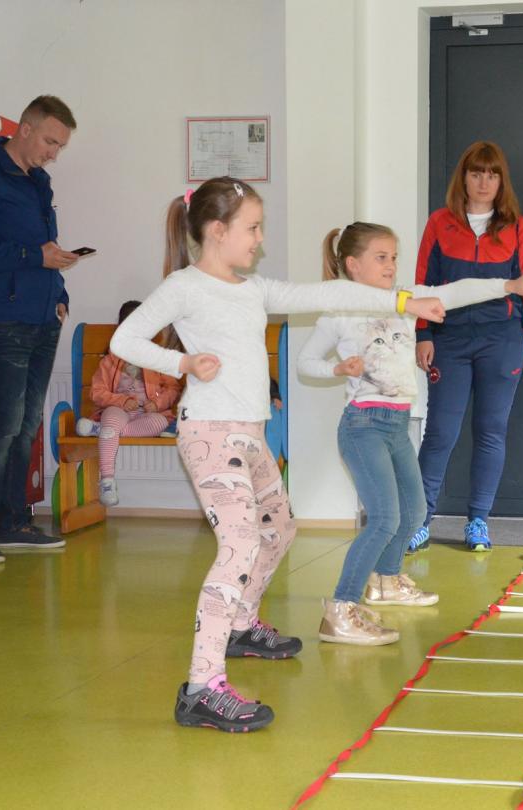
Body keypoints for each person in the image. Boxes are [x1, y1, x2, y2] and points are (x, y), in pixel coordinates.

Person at [109, 177, 446, 733]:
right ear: (217, 231)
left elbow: (330, 295)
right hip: (210, 434)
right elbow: (125, 339)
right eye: (253, 228)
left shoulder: (254, 289)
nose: (260, 239)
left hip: (249, 435)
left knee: (281, 528)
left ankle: (241, 627)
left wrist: (403, 301)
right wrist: (183, 364)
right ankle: (201, 687)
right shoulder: (184, 286)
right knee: (240, 544)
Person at [300, 222, 523, 645]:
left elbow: (458, 290)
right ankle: (340, 610)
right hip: (362, 427)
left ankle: (386, 581)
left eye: (394, 257)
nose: (391, 265)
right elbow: (305, 362)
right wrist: (337, 368)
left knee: (413, 513)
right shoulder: (339, 312)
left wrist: (508, 285)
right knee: (385, 518)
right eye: (381, 257)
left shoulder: (406, 300)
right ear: (353, 265)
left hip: (395, 426)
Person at [0, 95, 80, 564]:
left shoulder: (38, 182)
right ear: (25, 128)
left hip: (43, 317)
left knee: (26, 426)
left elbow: (45, 247)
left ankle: (12, 523)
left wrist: (60, 292)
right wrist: (34, 258)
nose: (53, 153)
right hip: (2, 319)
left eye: (60, 146)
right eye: (50, 141)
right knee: (4, 424)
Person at [411, 140, 523, 553]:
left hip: (501, 341)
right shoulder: (439, 223)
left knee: (491, 432)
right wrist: (423, 334)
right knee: (440, 433)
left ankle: (478, 522)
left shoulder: (515, 227)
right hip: (449, 341)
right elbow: (423, 283)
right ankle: (419, 521)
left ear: (501, 181)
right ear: (463, 178)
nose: (484, 182)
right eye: (476, 173)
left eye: (492, 174)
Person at [75, 301, 182, 506]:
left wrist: (157, 404)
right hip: (117, 410)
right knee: (112, 421)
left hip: (147, 415)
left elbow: (172, 388)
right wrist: (121, 400)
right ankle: (107, 481)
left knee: (159, 423)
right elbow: (97, 392)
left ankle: (100, 430)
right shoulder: (110, 360)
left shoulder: (157, 357)